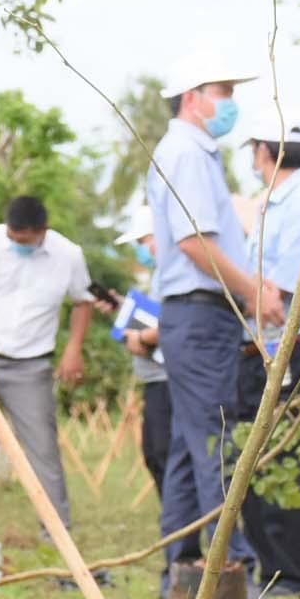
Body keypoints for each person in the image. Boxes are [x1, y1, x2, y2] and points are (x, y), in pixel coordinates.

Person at [146, 46, 285, 590]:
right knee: (215, 445)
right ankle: (236, 571)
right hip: (200, 317)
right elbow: (193, 244)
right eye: (223, 93)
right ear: (192, 99)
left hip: (196, 317)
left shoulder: (194, 153)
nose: (230, 104)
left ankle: (179, 569)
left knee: (189, 443)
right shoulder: (185, 153)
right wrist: (252, 291)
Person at [0, 194, 95, 525]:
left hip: (31, 367)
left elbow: (83, 302)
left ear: (43, 231)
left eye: (24, 241)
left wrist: (74, 348)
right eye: (12, 239)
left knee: (44, 455)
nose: (17, 244)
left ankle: (57, 538)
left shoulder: (68, 255)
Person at [239, 109, 300, 597]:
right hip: (263, 350)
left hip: (292, 351)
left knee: (285, 460)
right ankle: (268, 569)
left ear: (262, 151)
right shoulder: (272, 203)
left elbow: (281, 291)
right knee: (255, 460)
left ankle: (293, 576)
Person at [115, 208, 174, 522]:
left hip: (169, 379)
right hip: (154, 379)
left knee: (164, 454)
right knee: (154, 453)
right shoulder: (159, 276)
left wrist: (144, 338)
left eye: (142, 240)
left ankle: (181, 522)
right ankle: (175, 519)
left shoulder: (174, 273)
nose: (141, 248)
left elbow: (175, 322)